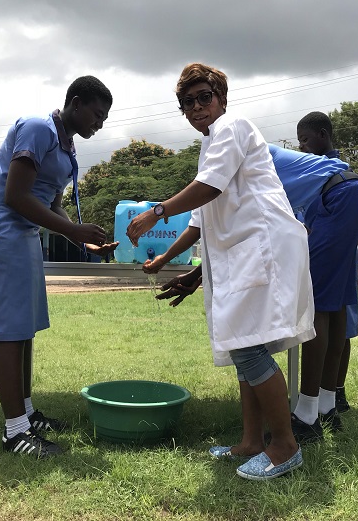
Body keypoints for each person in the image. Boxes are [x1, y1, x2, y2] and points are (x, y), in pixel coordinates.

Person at [127, 63, 314, 480]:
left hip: (262, 248)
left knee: (248, 348)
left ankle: (284, 446)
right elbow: (201, 216)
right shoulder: (211, 143)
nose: (196, 107)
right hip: (243, 254)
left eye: (203, 97)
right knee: (245, 346)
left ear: (222, 97)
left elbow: (208, 188)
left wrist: (155, 212)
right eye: (186, 103)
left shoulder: (233, 125)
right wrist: (164, 260)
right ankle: (250, 442)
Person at [0, 76, 118, 458]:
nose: (99, 125)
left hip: (22, 235)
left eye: (104, 119)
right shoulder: (39, 128)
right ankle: (15, 433)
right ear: (75, 103)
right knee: (8, 331)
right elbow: (15, 195)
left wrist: (80, 239)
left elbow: (50, 202)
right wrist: (73, 228)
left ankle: (25, 413)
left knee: (23, 328)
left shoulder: (67, 145)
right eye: (96, 115)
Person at [268, 143, 358, 442]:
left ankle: (306, 415)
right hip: (348, 193)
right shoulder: (274, 160)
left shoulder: (249, 156)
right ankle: (326, 406)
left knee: (319, 305)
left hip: (336, 197)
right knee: (335, 304)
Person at [296, 111, 358, 416]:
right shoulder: (327, 168)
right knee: (336, 310)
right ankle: (328, 402)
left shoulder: (323, 170)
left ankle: (309, 409)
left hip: (335, 215)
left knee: (321, 308)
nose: (302, 147)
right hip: (346, 215)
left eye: (306, 140)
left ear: (322, 134)